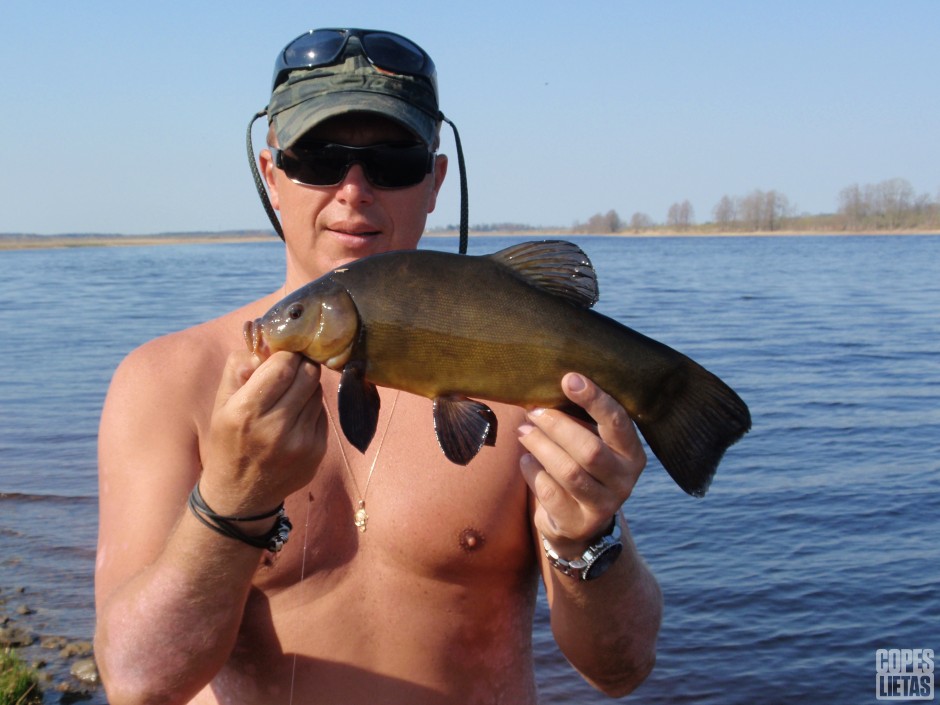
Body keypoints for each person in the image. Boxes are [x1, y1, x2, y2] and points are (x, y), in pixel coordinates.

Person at [94, 27, 662, 705]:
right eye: (319, 159)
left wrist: (591, 536)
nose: (354, 190)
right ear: (272, 175)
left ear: (435, 181)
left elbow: (621, 668)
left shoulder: (520, 382)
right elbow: (138, 682)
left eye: (393, 162)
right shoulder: (164, 383)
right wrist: (231, 502)